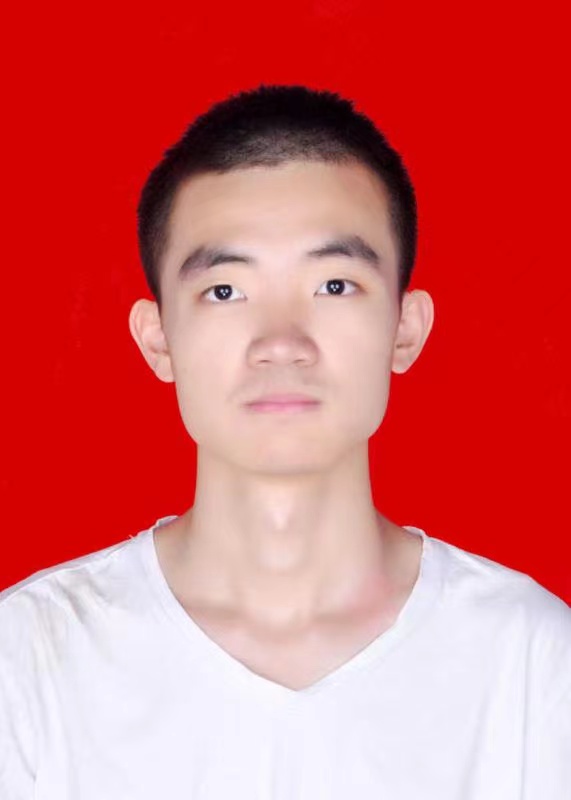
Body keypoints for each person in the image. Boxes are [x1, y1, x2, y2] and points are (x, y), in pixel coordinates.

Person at [1, 84, 569, 799]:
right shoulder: (29, 659)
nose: (281, 342)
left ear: (405, 328)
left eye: (334, 285)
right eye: (225, 291)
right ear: (158, 340)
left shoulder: (532, 662)